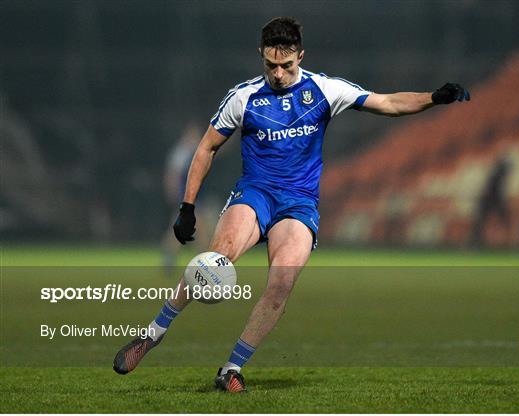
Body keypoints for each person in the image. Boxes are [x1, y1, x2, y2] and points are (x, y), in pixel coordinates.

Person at [113, 16, 470, 392]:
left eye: (287, 65)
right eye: (271, 65)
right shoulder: (244, 96)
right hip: (256, 193)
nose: (279, 73)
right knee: (216, 261)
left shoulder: (324, 90)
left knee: (282, 283)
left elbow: (389, 103)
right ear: (260, 58)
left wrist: (433, 98)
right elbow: (207, 146)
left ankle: (231, 368)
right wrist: (188, 207)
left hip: (299, 204)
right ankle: (153, 333)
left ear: (301, 55)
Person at [161, 122, 201, 274]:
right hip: (185, 196)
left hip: (191, 195)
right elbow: (172, 173)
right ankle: (203, 264)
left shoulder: (190, 150)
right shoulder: (182, 151)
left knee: (195, 228)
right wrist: (173, 193)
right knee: (187, 227)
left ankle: (170, 258)